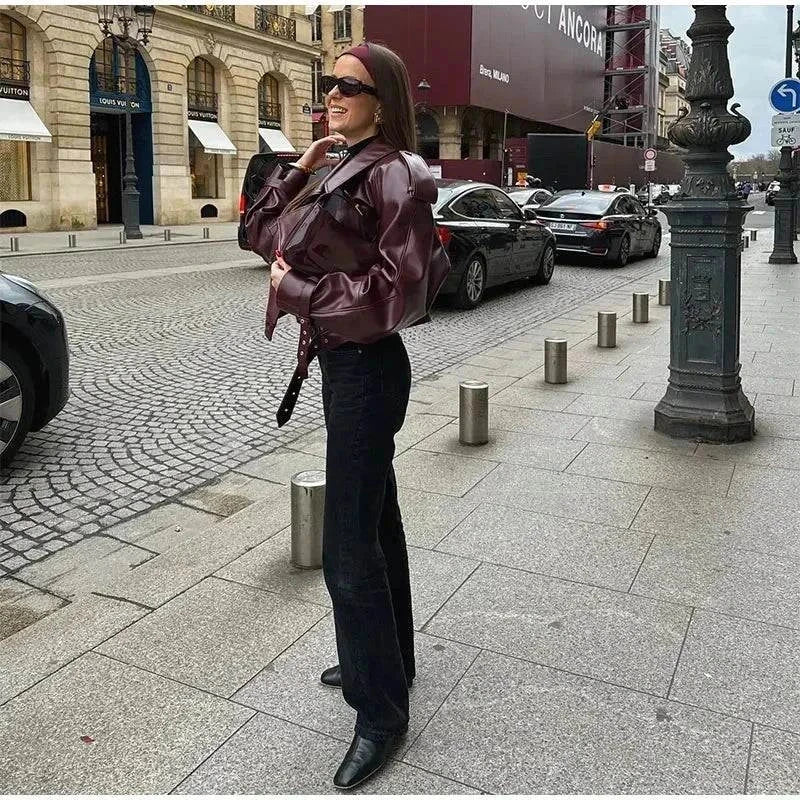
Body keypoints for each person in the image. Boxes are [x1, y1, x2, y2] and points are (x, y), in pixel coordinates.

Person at [245, 41, 451, 790]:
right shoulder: (335, 162)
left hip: (367, 369)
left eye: (347, 86)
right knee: (377, 521)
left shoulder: (398, 171)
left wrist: (300, 294)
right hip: (340, 365)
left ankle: (381, 714)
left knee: (346, 548)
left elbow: (402, 296)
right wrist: (302, 163)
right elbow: (259, 235)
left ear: (382, 98)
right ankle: (390, 658)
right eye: (326, 83)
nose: (330, 94)